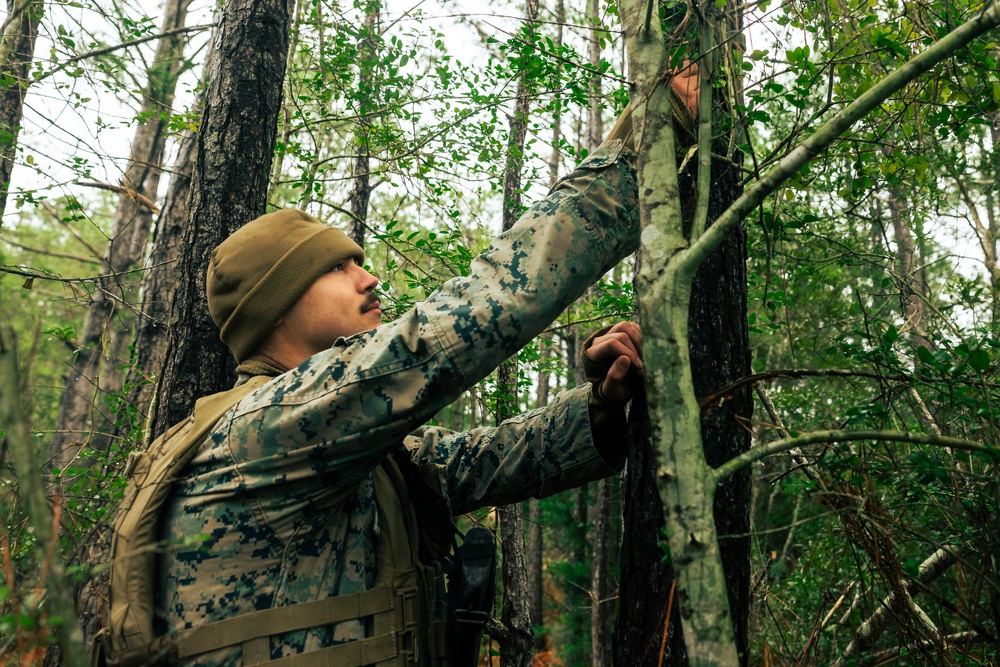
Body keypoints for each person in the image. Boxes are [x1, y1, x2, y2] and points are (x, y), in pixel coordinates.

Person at [148, 70, 700, 666]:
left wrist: (603, 404)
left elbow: (493, 458)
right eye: (336, 268)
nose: (369, 278)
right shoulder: (264, 431)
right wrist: (658, 123)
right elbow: (484, 308)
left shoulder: (355, 454)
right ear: (277, 305)